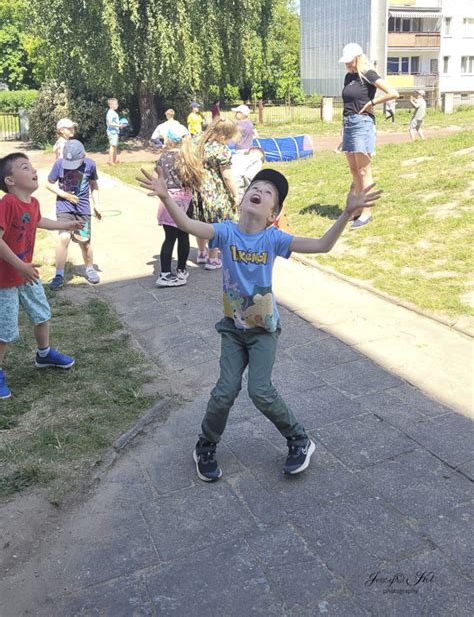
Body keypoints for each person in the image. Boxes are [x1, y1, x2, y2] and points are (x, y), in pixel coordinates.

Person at [136, 164, 382, 481]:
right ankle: (205, 445)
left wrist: (347, 214)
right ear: (242, 200)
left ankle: (299, 439)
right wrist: (166, 198)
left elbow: (322, 245)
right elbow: (185, 223)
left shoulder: (273, 239)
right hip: (233, 331)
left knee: (260, 391)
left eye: (268, 193)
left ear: (272, 214)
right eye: (256, 187)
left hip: (264, 331)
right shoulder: (225, 232)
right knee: (224, 392)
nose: (259, 191)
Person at [0, 153, 83, 399]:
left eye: (32, 166)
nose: (33, 170)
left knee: (41, 313)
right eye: (25, 167)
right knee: (5, 330)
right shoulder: (6, 204)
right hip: (5, 279)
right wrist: (20, 265)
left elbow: (39, 221)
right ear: (10, 180)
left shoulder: (32, 203)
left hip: (26, 274)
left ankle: (44, 354)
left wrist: (65, 225)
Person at [339, 43, 399, 230]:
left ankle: (367, 212)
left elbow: (393, 93)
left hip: (362, 123)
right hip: (348, 123)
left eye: (349, 61)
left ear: (357, 58)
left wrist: (373, 102)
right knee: (354, 170)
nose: (347, 64)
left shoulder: (369, 74)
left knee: (364, 171)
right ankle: (357, 209)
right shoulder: (348, 77)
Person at [46, 140, 102, 288]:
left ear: (84, 156)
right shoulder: (59, 164)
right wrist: (65, 195)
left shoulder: (90, 164)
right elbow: (49, 183)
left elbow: (94, 185)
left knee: (84, 241)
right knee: (64, 238)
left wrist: (97, 205)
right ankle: (59, 274)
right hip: (64, 207)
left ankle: (89, 269)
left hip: (83, 209)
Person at [154, 125, 203, 287]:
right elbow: (195, 180)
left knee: (169, 238)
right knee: (184, 236)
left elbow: (157, 177)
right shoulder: (187, 158)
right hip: (185, 200)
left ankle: (165, 272)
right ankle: (182, 269)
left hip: (167, 200)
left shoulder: (163, 157)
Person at [193, 118, 240, 270]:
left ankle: (201, 252)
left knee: (200, 222)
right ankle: (213, 258)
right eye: (228, 139)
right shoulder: (221, 150)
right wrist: (235, 194)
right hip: (215, 192)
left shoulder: (199, 142)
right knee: (216, 224)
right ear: (222, 137)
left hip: (197, 188)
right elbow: (226, 176)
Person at [106, 98, 126, 165]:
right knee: (112, 146)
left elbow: (115, 122)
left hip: (115, 132)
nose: (117, 105)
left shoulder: (114, 113)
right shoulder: (110, 113)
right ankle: (111, 161)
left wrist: (120, 123)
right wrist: (119, 126)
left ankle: (115, 160)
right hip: (112, 132)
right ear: (111, 105)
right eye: (116, 104)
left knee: (115, 146)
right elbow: (110, 123)